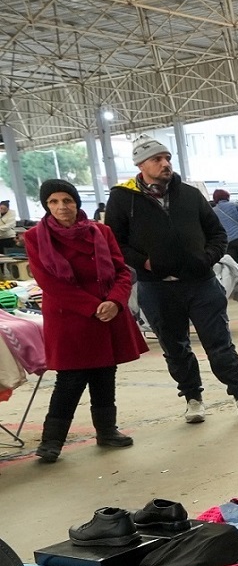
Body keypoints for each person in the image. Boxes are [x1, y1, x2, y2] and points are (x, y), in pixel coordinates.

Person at [106, 138, 238, 423]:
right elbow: (115, 241)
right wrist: (146, 262)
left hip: (200, 284)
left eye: (167, 158)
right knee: (174, 347)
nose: (165, 164)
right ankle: (192, 398)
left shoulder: (189, 194)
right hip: (157, 287)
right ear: (140, 165)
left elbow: (218, 234)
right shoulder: (122, 199)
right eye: (157, 159)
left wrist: (207, 258)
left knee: (219, 343)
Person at [21, 179, 148, 461]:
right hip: (70, 317)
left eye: (67, 200)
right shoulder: (34, 237)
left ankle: (106, 431)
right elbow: (49, 282)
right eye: (53, 202)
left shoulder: (101, 232)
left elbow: (122, 271)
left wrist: (115, 301)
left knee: (105, 374)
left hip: (108, 313)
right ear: (46, 206)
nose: (61, 207)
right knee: (70, 380)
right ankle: (51, 441)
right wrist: (93, 306)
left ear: (77, 202)